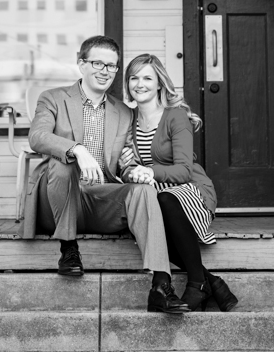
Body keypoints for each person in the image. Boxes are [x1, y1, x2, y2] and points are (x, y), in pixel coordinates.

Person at [22, 35, 189, 314]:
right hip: (57, 201)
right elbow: (37, 137)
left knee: (144, 191)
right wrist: (76, 149)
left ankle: (161, 285)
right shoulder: (53, 98)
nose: (105, 71)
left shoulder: (123, 112)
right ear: (81, 64)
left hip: (99, 200)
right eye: (97, 63)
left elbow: (123, 164)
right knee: (64, 162)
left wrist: (133, 169)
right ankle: (69, 248)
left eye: (111, 66)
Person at [122, 53, 238, 313]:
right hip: (154, 196)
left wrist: (150, 172)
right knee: (148, 210)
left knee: (163, 200)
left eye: (147, 78)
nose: (139, 84)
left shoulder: (175, 116)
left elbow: (184, 170)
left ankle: (197, 282)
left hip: (189, 191)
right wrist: (128, 169)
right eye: (134, 78)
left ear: (160, 83)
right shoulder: (127, 120)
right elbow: (129, 170)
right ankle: (212, 282)